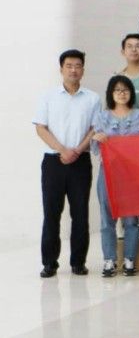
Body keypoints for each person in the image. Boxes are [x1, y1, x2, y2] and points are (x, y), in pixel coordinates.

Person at [35, 51, 101, 278]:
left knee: (80, 213)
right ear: (61, 69)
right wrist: (63, 150)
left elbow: (95, 128)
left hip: (80, 161)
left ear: (83, 69)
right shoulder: (48, 96)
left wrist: (78, 150)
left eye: (78, 65)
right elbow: (41, 127)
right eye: (69, 65)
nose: (73, 70)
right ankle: (49, 263)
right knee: (51, 213)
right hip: (53, 161)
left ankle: (78, 262)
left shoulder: (92, 98)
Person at [90, 75, 139, 277]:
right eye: (117, 90)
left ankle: (129, 259)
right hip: (108, 171)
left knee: (131, 218)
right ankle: (109, 260)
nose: (122, 93)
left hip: (131, 173)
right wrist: (97, 137)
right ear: (111, 94)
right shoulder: (102, 117)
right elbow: (95, 147)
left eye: (125, 90)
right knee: (107, 216)